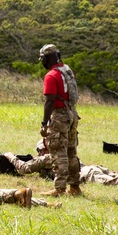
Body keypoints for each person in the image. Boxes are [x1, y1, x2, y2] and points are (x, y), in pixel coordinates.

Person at [4, 141, 118, 190]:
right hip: (93, 167)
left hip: (88, 174)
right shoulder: (64, 151)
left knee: (117, 182)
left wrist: (10, 156)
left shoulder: (47, 158)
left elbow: (24, 168)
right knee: (116, 178)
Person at [38, 43, 81, 197]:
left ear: (47, 58)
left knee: (58, 152)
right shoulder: (67, 70)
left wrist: (44, 123)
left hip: (60, 116)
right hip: (72, 113)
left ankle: (59, 189)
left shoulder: (51, 76)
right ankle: (75, 187)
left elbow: (49, 101)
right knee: (71, 152)